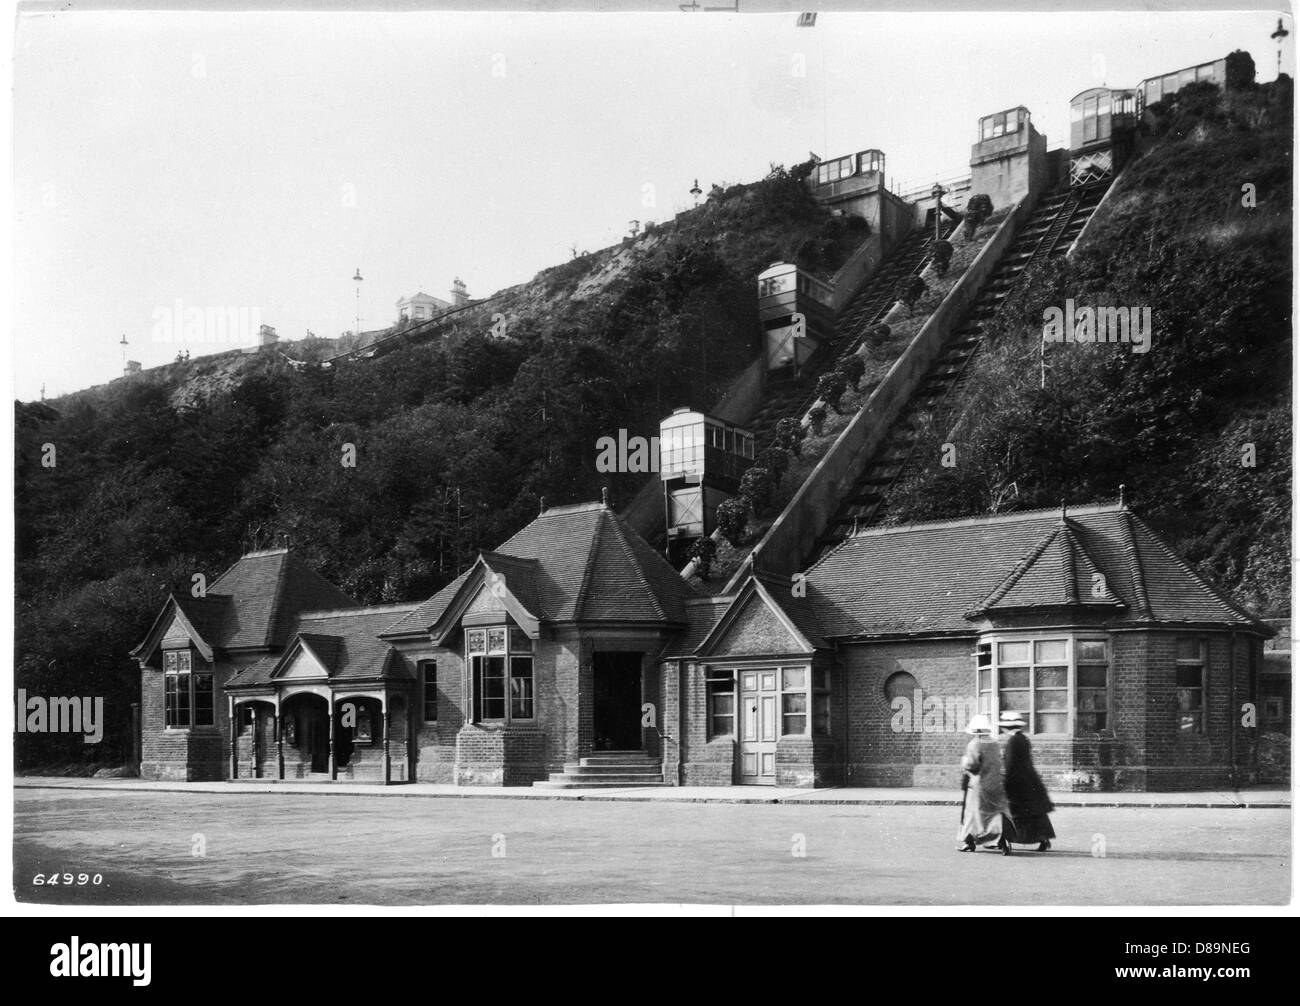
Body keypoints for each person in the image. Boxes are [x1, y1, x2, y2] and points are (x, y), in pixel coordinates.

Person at [999, 710, 1055, 851]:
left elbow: (1011, 765)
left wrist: (1006, 784)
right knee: (1034, 815)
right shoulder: (1023, 739)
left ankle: (1004, 840)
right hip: (1030, 781)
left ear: (1007, 727)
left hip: (1018, 784)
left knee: (1014, 814)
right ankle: (1043, 838)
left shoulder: (1012, 741)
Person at [957, 713, 1012, 855]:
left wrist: (964, 762)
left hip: (979, 784)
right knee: (995, 812)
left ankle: (969, 842)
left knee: (972, 814)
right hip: (996, 783)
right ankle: (1000, 838)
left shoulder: (974, 744)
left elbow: (973, 765)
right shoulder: (995, 743)